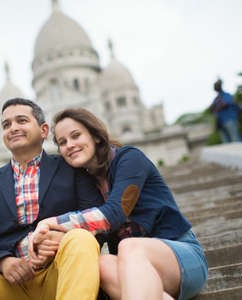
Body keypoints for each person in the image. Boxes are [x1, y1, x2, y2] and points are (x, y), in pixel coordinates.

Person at [27, 108, 208, 300]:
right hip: (137, 274)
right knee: (101, 264)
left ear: (95, 136)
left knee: (130, 246)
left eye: (76, 136)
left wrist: (49, 223)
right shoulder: (86, 184)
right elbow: (92, 236)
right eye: (62, 142)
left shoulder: (130, 158)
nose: (70, 145)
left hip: (181, 259)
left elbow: (113, 213)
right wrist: (54, 240)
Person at [0, 99, 104, 300]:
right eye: (6, 125)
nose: (13, 128)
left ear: (43, 130)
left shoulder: (72, 169)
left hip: (60, 274)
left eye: (21, 121)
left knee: (81, 237)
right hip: (10, 285)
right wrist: (3, 261)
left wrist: (64, 237)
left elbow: (99, 220)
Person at [208, 79, 242, 143]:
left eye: (216, 86)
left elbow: (225, 105)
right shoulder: (216, 99)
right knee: (226, 142)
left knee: (235, 139)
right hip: (220, 122)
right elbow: (210, 109)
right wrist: (215, 105)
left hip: (229, 119)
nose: (215, 87)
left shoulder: (227, 95)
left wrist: (216, 107)